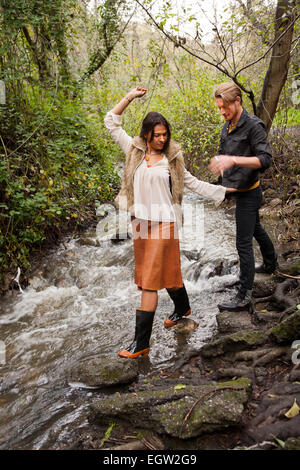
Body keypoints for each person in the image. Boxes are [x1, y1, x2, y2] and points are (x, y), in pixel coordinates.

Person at [104, 87, 236, 358]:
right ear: (146, 135)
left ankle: (141, 344)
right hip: (140, 223)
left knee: (149, 283)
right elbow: (111, 121)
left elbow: (193, 183)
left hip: (164, 223)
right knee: (164, 273)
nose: (162, 139)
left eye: (165, 135)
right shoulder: (133, 151)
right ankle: (183, 309)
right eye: (157, 135)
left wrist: (224, 191)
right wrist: (129, 97)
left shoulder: (172, 161)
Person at [208, 82, 278, 313]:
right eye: (219, 108)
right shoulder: (227, 126)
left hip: (250, 192)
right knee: (256, 227)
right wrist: (220, 170)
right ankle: (271, 263)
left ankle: (245, 295)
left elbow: (265, 160)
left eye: (224, 107)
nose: (222, 112)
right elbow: (225, 154)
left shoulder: (254, 126)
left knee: (243, 242)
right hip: (237, 190)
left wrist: (234, 160)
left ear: (237, 101)